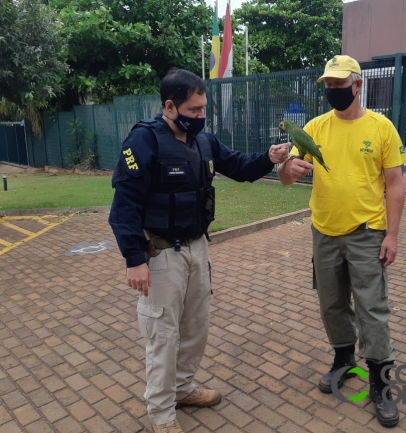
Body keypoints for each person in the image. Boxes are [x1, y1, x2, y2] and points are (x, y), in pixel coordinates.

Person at [109, 68, 290, 433]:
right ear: (170, 106)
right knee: (163, 335)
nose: (200, 116)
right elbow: (124, 205)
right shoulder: (145, 142)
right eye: (193, 110)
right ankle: (161, 413)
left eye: (204, 109)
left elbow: (239, 166)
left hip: (197, 249)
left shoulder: (203, 141)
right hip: (160, 255)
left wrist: (269, 158)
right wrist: (134, 260)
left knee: (195, 328)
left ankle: (183, 389)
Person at [278, 55, 406, 428]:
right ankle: (343, 360)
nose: (333, 90)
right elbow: (287, 179)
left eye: (340, 84)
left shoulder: (382, 128)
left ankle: (380, 384)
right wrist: (287, 168)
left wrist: (393, 236)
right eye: (329, 85)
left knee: (372, 308)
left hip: (368, 232)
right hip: (324, 231)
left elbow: (396, 186)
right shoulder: (314, 128)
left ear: (358, 84)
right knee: (331, 305)